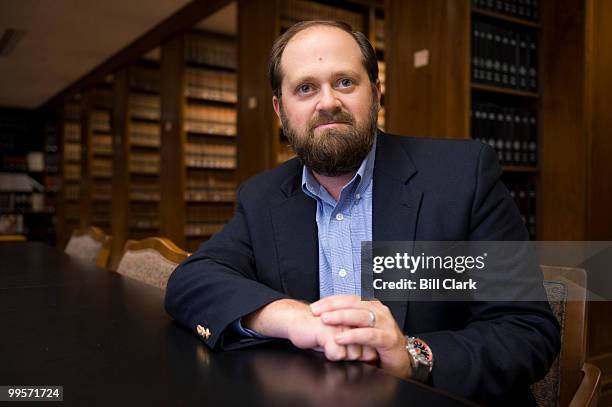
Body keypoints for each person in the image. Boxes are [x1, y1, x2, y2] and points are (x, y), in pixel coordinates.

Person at [165, 20, 560, 405]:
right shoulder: (263, 196)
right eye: (305, 88)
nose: (328, 102)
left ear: (375, 92)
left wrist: (412, 354)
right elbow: (192, 281)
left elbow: (526, 331)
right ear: (279, 109)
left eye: (345, 82)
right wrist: (293, 319)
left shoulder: (461, 176)